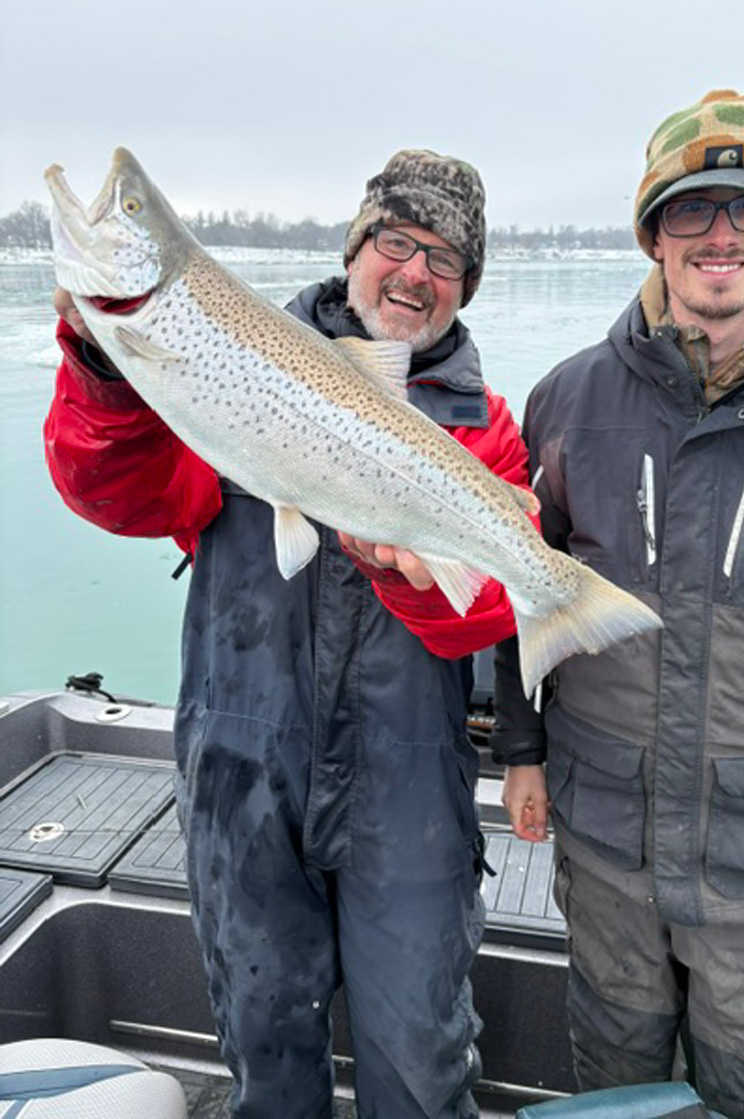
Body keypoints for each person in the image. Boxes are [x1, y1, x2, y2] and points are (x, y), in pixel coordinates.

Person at [44, 150, 534, 1119]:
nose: (415, 273)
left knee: (424, 1066)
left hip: (409, 801)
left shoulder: (485, 429)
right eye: (396, 241)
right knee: (266, 1057)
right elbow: (119, 491)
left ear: (466, 288)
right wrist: (105, 361)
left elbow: (483, 617)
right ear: (354, 249)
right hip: (242, 778)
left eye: (445, 260)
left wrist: (411, 571)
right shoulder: (230, 365)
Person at [492, 89, 744, 1118]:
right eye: (691, 209)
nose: (720, 234)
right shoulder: (567, 400)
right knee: (616, 1074)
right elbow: (525, 587)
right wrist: (523, 753)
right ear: (654, 232)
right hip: (604, 839)